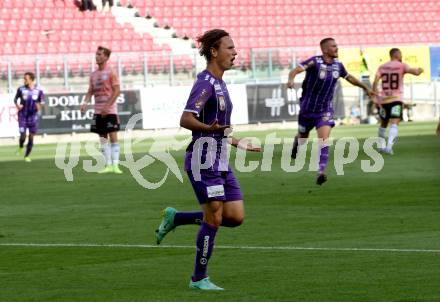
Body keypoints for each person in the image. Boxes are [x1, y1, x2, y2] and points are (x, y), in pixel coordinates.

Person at [155, 29, 261, 291]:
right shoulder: (205, 83)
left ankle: (177, 218)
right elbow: (186, 119)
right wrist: (209, 129)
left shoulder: (220, 83)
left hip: (220, 158)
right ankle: (198, 278)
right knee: (213, 219)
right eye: (230, 48)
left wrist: (236, 141)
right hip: (203, 159)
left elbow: (218, 126)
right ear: (214, 51)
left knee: (234, 217)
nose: (235, 52)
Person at [287, 37, 375, 185]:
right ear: (325, 49)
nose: (337, 48)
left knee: (324, 140)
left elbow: (349, 77)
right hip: (307, 109)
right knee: (303, 138)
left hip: (324, 110)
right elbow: (296, 69)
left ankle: (320, 172)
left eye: (336, 46)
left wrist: (365, 87)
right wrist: (290, 80)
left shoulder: (338, 66)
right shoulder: (315, 61)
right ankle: (297, 143)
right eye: (334, 46)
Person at [372, 48, 423, 154]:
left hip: (384, 100)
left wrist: (376, 97)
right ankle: (389, 147)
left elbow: (375, 82)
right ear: (397, 55)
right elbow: (415, 72)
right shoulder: (402, 65)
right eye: (401, 54)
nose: (401, 56)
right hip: (396, 99)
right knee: (394, 123)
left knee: (383, 124)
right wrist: (420, 70)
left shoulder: (382, 67)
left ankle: (381, 147)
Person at [80, 46, 122, 174]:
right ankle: (108, 165)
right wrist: (85, 102)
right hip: (97, 111)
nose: (96, 56)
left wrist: (107, 106)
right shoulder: (93, 74)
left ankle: (116, 165)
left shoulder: (111, 72)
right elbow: (90, 91)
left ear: (106, 57)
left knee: (113, 137)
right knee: (103, 138)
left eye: (99, 54)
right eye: (96, 54)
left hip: (110, 111)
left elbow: (117, 91)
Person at [13, 72, 45, 162]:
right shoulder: (21, 89)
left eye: (26, 79)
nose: (24, 80)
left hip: (33, 117)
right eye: (24, 79)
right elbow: (15, 99)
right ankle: (20, 147)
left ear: (31, 80)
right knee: (23, 136)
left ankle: (26, 156)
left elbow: (42, 102)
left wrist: (39, 106)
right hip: (22, 116)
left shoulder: (39, 90)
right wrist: (17, 105)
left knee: (31, 137)